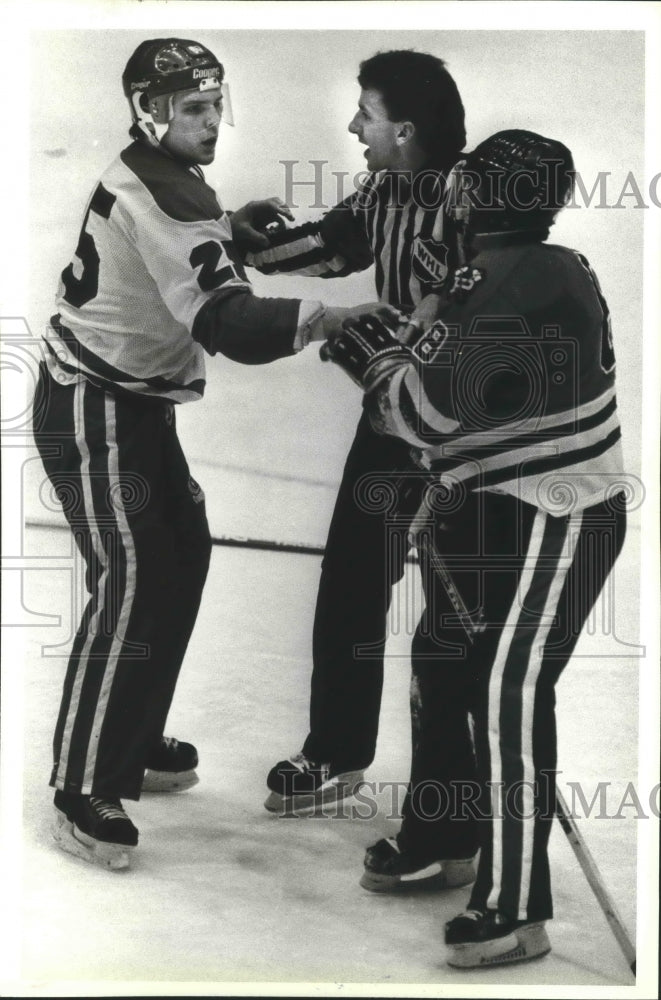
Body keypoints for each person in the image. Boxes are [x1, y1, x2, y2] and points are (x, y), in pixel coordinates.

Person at [32, 37, 352, 870]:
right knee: (135, 575)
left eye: (217, 105)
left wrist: (230, 238)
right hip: (95, 406)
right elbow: (226, 324)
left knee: (178, 554)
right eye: (195, 110)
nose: (212, 123)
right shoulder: (170, 195)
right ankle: (80, 783)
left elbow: (184, 252)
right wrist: (322, 318)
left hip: (125, 406)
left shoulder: (158, 171)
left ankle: (125, 738)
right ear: (151, 112)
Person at [321, 129, 627, 965]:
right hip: (487, 503)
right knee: (442, 660)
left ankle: (516, 909)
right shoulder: (511, 266)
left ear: (474, 195)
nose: (451, 195)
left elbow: (418, 417)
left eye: (463, 186)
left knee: (508, 691)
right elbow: (443, 372)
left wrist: (376, 361)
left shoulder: (510, 282)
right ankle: (443, 835)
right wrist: (410, 343)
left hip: (553, 509)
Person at [242, 51, 478, 884]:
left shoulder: (475, 197)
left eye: (364, 113)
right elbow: (322, 250)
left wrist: (415, 350)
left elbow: (485, 322)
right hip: (392, 422)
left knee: (455, 627)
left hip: (470, 440)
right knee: (351, 574)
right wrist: (236, 234)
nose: (352, 127)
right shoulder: (383, 192)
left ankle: (451, 822)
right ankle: (336, 755)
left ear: (404, 129)